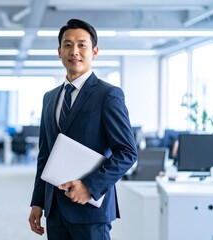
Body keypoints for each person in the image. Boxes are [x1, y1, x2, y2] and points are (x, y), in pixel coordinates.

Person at [28, 18, 137, 240]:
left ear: (94, 51)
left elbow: (127, 152)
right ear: (59, 51)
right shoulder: (49, 98)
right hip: (55, 209)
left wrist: (89, 186)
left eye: (82, 45)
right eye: (67, 45)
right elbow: (45, 155)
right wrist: (38, 202)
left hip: (91, 210)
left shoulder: (108, 95)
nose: (74, 51)